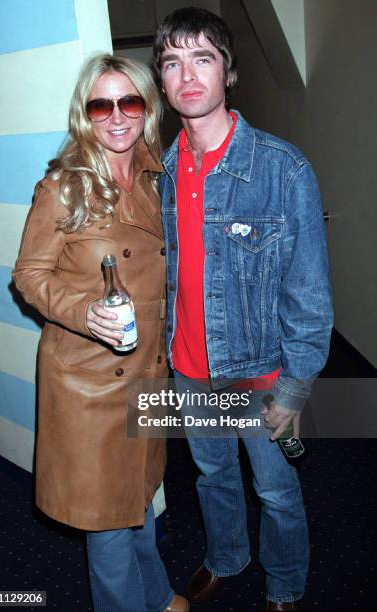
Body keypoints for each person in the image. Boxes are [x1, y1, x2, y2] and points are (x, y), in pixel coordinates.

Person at [153, 7, 333, 611]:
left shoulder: (283, 170)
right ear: (162, 81)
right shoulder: (161, 172)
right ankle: (226, 556)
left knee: (278, 491)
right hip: (189, 368)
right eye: (173, 62)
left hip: (259, 372)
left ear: (228, 71)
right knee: (212, 476)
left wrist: (295, 390)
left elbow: (308, 297)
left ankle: (285, 586)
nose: (188, 74)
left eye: (202, 57)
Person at [12, 54, 189, 612]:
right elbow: (29, 275)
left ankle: (156, 595)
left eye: (130, 101)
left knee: (136, 499)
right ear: (85, 114)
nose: (117, 116)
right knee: (107, 525)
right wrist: (87, 312)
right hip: (89, 382)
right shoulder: (63, 187)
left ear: (147, 108)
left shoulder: (158, 173)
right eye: (101, 104)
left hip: (149, 371)